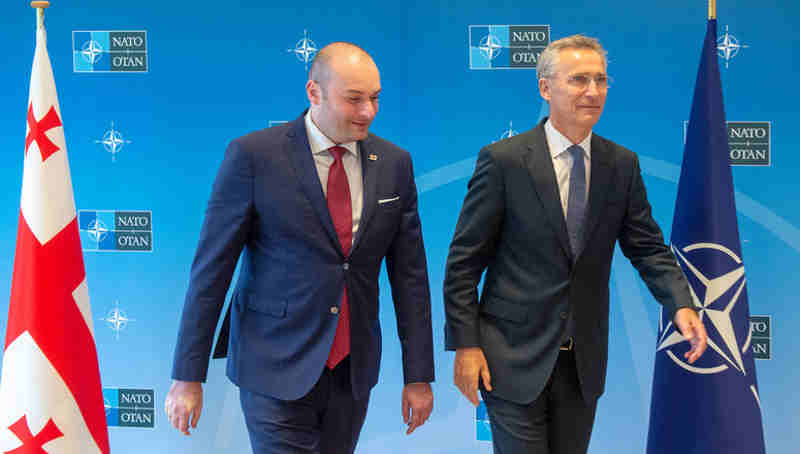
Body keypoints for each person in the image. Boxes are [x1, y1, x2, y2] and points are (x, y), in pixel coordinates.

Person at [443, 34, 708, 454]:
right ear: (546, 88)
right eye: (579, 80)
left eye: (601, 80)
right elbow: (463, 262)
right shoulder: (504, 161)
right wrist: (466, 344)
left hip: (581, 362)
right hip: (509, 358)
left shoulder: (622, 165)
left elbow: (647, 247)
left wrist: (681, 302)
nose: (593, 91)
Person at [165, 42, 435, 454]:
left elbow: (410, 278)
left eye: (375, 98)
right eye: (354, 99)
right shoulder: (254, 156)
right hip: (272, 364)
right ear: (314, 92)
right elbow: (211, 271)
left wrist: (418, 376)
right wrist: (188, 376)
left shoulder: (395, 163)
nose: (368, 111)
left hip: (352, 369)